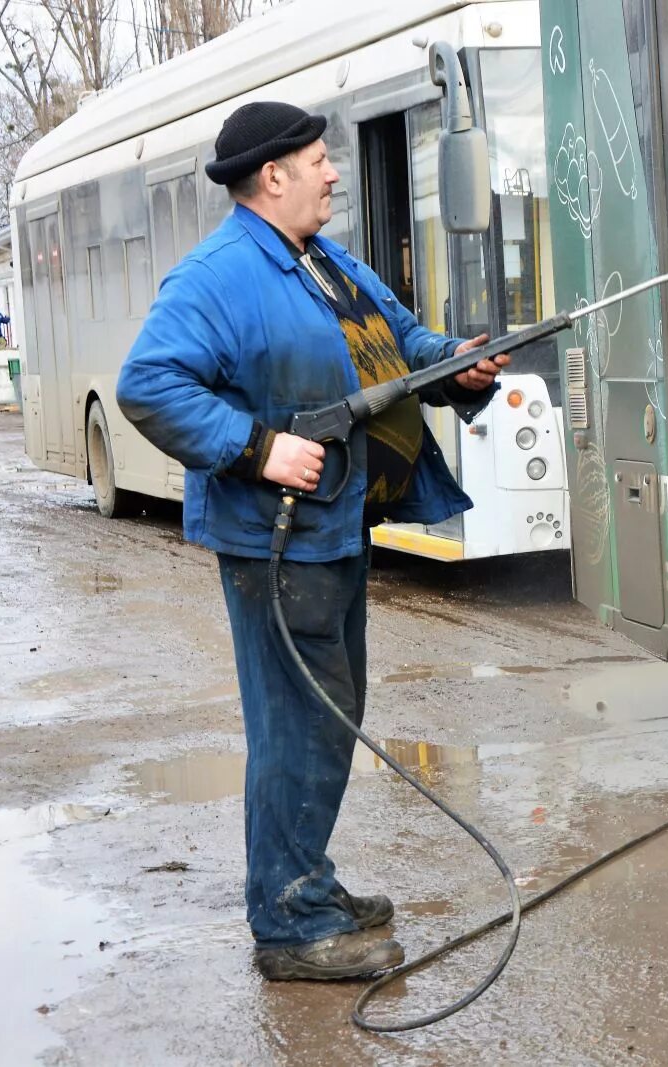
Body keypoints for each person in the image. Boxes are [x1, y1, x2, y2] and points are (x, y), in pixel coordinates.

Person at [116, 102, 508, 981]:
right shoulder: (217, 276)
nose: (334, 174)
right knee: (297, 724)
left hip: (334, 528)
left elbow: (398, 340)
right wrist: (257, 449)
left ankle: (308, 881)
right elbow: (148, 384)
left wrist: (458, 364)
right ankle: (292, 921)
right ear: (273, 176)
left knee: (331, 719)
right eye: (320, 161)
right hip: (275, 542)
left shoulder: (322, 262)